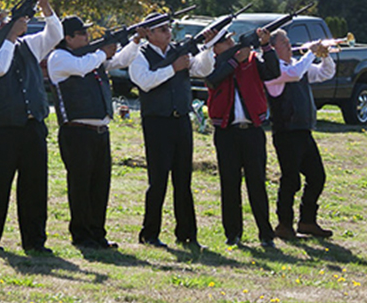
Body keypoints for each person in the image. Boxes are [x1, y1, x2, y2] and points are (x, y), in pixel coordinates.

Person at [0, 0, 63, 255]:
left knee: (35, 186)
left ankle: (35, 241)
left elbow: (55, 36)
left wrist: (46, 7)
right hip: (3, 130)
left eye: (4, 22)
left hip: (32, 126)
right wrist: (10, 35)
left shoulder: (27, 45)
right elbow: (0, 67)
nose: (3, 26)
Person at [47, 16, 140, 250]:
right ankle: (81, 234)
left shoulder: (91, 58)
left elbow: (120, 60)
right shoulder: (59, 57)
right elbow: (81, 68)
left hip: (100, 131)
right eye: (81, 34)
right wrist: (102, 51)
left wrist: (136, 40)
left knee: (100, 186)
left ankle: (97, 233)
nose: (86, 37)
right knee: (80, 186)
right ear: (67, 38)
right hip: (76, 132)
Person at [129, 14, 215, 249]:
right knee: (157, 181)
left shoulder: (179, 51)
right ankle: (150, 233)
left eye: (168, 29)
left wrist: (207, 48)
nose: (168, 33)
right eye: (162, 29)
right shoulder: (139, 55)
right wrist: (173, 68)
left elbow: (203, 69)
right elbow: (144, 81)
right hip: (157, 122)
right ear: (149, 33)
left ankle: (187, 233)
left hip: (181, 122)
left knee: (183, 180)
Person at [204, 28, 280, 247]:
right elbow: (212, 81)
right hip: (226, 132)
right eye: (226, 41)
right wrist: (235, 62)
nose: (231, 43)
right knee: (229, 184)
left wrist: (266, 46)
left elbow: (272, 72)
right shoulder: (213, 63)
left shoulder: (252, 60)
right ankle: (233, 234)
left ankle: (266, 234)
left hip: (252, 131)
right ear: (216, 48)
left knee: (257, 184)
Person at [265, 30, 336, 240]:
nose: (289, 45)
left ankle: (307, 221)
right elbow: (294, 74)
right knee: (291, 179)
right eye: (283, 43)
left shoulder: (298, 64)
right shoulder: (274, 69)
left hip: (303, 130)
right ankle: (284, 224)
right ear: (273, 49)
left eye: (288, 42)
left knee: (317, 176)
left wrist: (325, 55)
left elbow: (325, 73)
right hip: (286, 131)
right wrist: (311, 53)